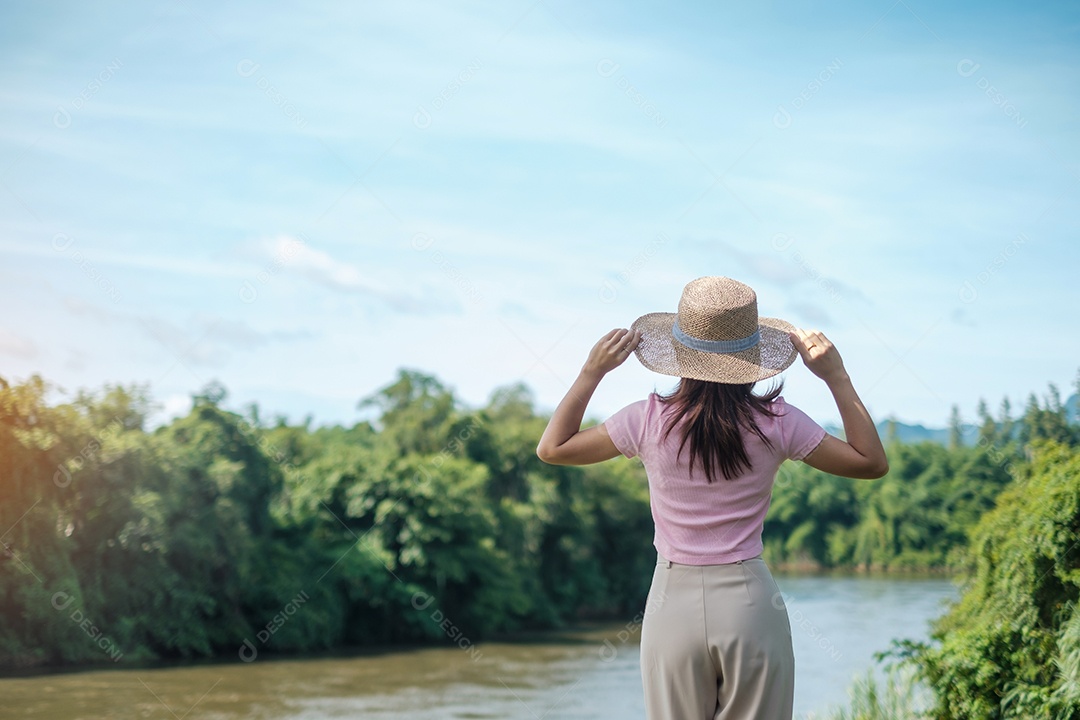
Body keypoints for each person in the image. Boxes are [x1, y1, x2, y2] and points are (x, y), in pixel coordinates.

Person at [536, 276, 888, 720]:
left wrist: (592, 372)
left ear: (679, 354)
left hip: (670, 603)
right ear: (753, 358)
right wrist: (836, 376)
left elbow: (552, 448)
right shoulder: (777, 422)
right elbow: (871, 462)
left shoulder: (645, 420)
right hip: (750, 604)